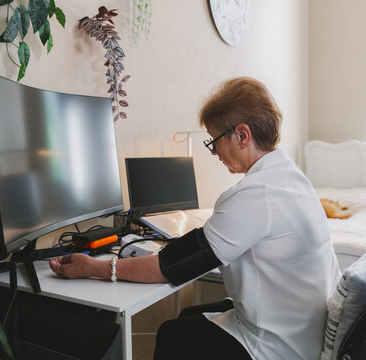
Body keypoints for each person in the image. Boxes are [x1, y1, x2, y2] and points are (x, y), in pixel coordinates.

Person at [49, 77, 340, 360]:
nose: (214, 152)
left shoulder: (256, 194)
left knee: (172, 334)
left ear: (242, 135)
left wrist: (94, 268)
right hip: (303, 331)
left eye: (214, 141)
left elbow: (169, 267)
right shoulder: (290, 176)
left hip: (277, 347)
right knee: (190, 315)